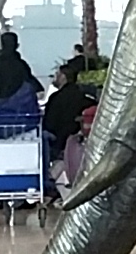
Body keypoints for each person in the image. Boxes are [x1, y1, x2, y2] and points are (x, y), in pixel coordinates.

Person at [42, 63, 97, 196]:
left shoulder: (55, 99)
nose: (55, 77)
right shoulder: (84, 98)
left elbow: (49, 124)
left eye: (57, 75)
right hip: (78, 140)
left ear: (63, 78)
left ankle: (47, 184)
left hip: (59, 142)